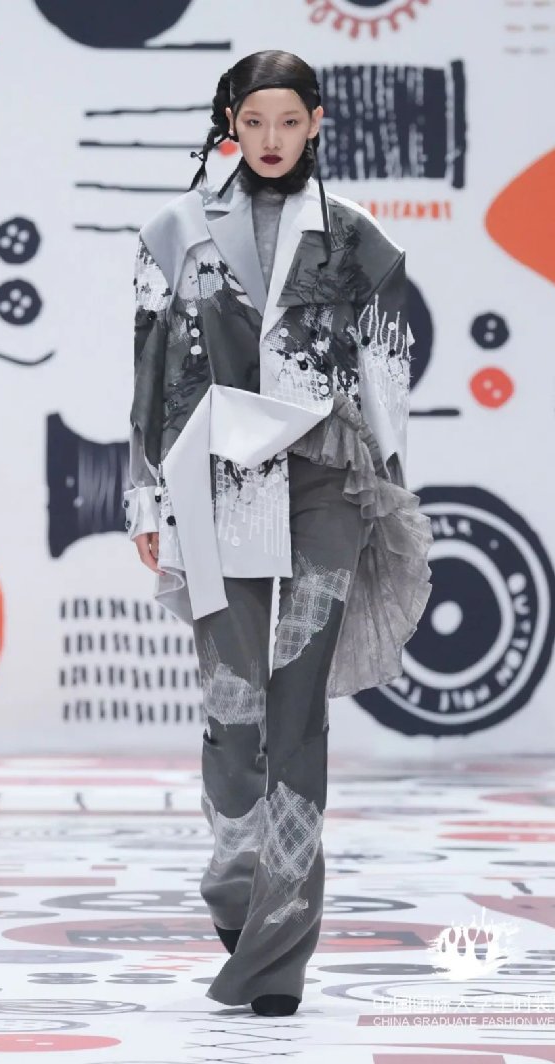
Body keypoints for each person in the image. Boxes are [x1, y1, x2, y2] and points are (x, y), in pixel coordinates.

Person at [122, 50, 433, 1016]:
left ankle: (278, 946)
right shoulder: (174, 232)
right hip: (214, 485)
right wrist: (145, 497)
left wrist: (389, 492)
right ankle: (235, 875)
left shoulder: (359, 238)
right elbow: (148, 375)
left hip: (325, 486)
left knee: (297, 711)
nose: (270, 139)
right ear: (231, 122)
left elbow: (385, 376)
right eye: (253, 120)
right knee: (234, 710)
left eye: (288, 121)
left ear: (315, 123)